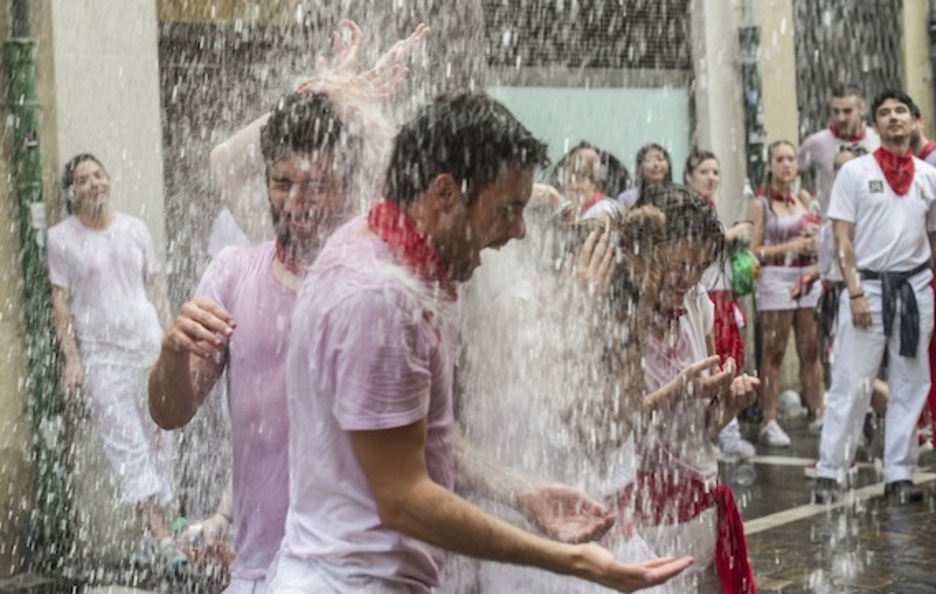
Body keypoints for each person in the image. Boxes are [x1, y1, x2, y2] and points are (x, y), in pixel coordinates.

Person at [266, 92, 694, 592]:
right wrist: (572, 561)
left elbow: (419, 437)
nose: (516, 232)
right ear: (445, 193)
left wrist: (522, 493)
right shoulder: (381, 301)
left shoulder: (371, 241)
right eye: (507, 209)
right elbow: (405, 498)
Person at [148, 21, 429, 592]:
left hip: (356, 573)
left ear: (351, 183)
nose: (298, 204)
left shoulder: (372, 272)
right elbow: (170, 412)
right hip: (257, 568)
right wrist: (173, 353)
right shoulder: (234, 270)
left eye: (318, 185)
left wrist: (347, 100)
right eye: (282, 182)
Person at [47, 153, 182, 567]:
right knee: (128, 447)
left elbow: (156, 286)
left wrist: (172, 333)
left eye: (98, 176)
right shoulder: (61, 238)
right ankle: (161, 537)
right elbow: (61, 303)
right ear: (72, 192)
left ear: (109, 181)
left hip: (149, 349)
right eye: (83, 180)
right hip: (103, 360)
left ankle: (163, 530)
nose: (93, 184)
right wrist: (73, 359)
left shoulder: (135, 229)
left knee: (163, 442)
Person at [813, 89, 936, 505]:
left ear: (915, 120)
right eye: (885, 113)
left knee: (911, 381)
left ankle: (899, 474)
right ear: (875, 124)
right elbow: (842, 237)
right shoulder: (855, 172)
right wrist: (854, 292)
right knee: (852, 380)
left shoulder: (926, 175)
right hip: (867, 287)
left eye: (901, 111)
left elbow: (933, 239)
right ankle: (831, 469)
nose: (894, 118)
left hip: (915, 288)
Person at [749, 140, 824, 448]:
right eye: (780, 159)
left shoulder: (804, 197)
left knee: (810, 349)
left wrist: (816, 243)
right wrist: (792, 246)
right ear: (769, 165)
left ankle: (818, 410)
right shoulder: (760, 203)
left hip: (807, 276)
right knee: (775, 351)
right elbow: (755, 250)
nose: (787, 165)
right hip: (776, 278)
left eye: (791, 159)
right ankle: (769, 419)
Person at [684, 149, 756, 461]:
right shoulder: (688, 209)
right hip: (705, 297)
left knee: (728, 360)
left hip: (723, 296)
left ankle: (725, 432)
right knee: (710, 362)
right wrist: (734, 233)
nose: (711, 177)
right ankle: (718, 434)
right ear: (689, 176)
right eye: (704, 171)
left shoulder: (709, 207)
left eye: (715, 172)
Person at [799, 85, 881, 213]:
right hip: (832, 225)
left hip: (871, 223)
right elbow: (790, 174)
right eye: (836, 111)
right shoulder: (815, 143)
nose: (841, 118)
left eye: (847, 111)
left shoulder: (878, 140)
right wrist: (806, 207)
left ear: (861, 109)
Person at [550, 141, 630, 217]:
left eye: (582, 177)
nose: (575, 186)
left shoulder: (607, 208)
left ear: (597, 183)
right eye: (570, 181)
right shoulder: (554, 202)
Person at [617, 143, 672, 208]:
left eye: (660, 159)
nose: (656, 164)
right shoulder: (627, 198)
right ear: (640, 167)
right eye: (649, 160)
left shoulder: (678, 195)